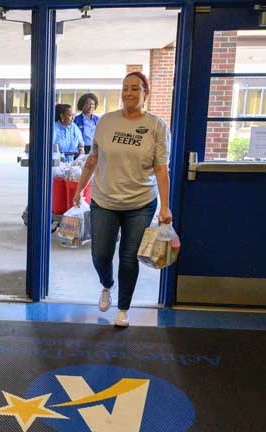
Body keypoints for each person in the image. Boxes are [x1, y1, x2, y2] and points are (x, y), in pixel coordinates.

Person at [72, 71, 172, 327]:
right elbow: (92, 158)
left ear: (145, 93)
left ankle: (123, 309)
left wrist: (165, 206)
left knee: (129, 258)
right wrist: (79, 189)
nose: (129, 93)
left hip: (140, 203)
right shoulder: (106, 122)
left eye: (135, 88)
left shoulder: (157, 126)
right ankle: (107, 285)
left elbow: (161, 169)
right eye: (125, 88)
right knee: (100, 254)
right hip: (104, 200)